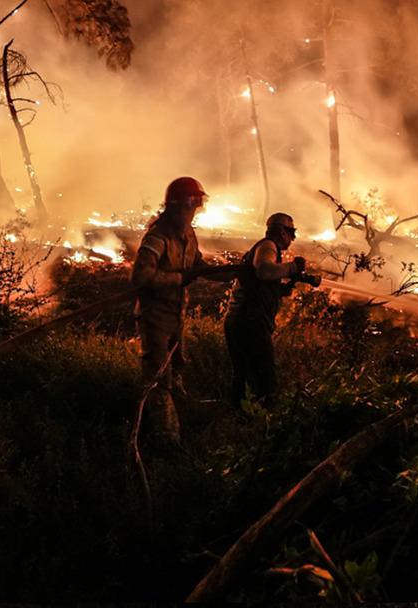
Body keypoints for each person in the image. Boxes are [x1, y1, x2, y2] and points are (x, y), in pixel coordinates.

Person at [131, 176, 227, 445]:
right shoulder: (157, 237)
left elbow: (197, 265)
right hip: (155, 317)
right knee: (158, 378)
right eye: (192, 206)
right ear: (181, 206)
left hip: (176, 314)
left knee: (177, 366)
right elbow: (140, 276)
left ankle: (183, 415)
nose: (195, 212)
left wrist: (232, 273)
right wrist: (177, 279)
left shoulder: (188, 235)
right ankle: (165, 441)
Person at [224, 212, 307, 408]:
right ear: (280, 231)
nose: (293, 237)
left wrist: (284, 288)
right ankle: (263, 424)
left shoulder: (267, 248)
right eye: (291, 232)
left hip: (241, 321)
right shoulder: (268, 246)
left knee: (243, 376)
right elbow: (263, 270)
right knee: (264, 379)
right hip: (249, 323)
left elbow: (261, 284)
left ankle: (240, 420)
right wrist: (292, 268)